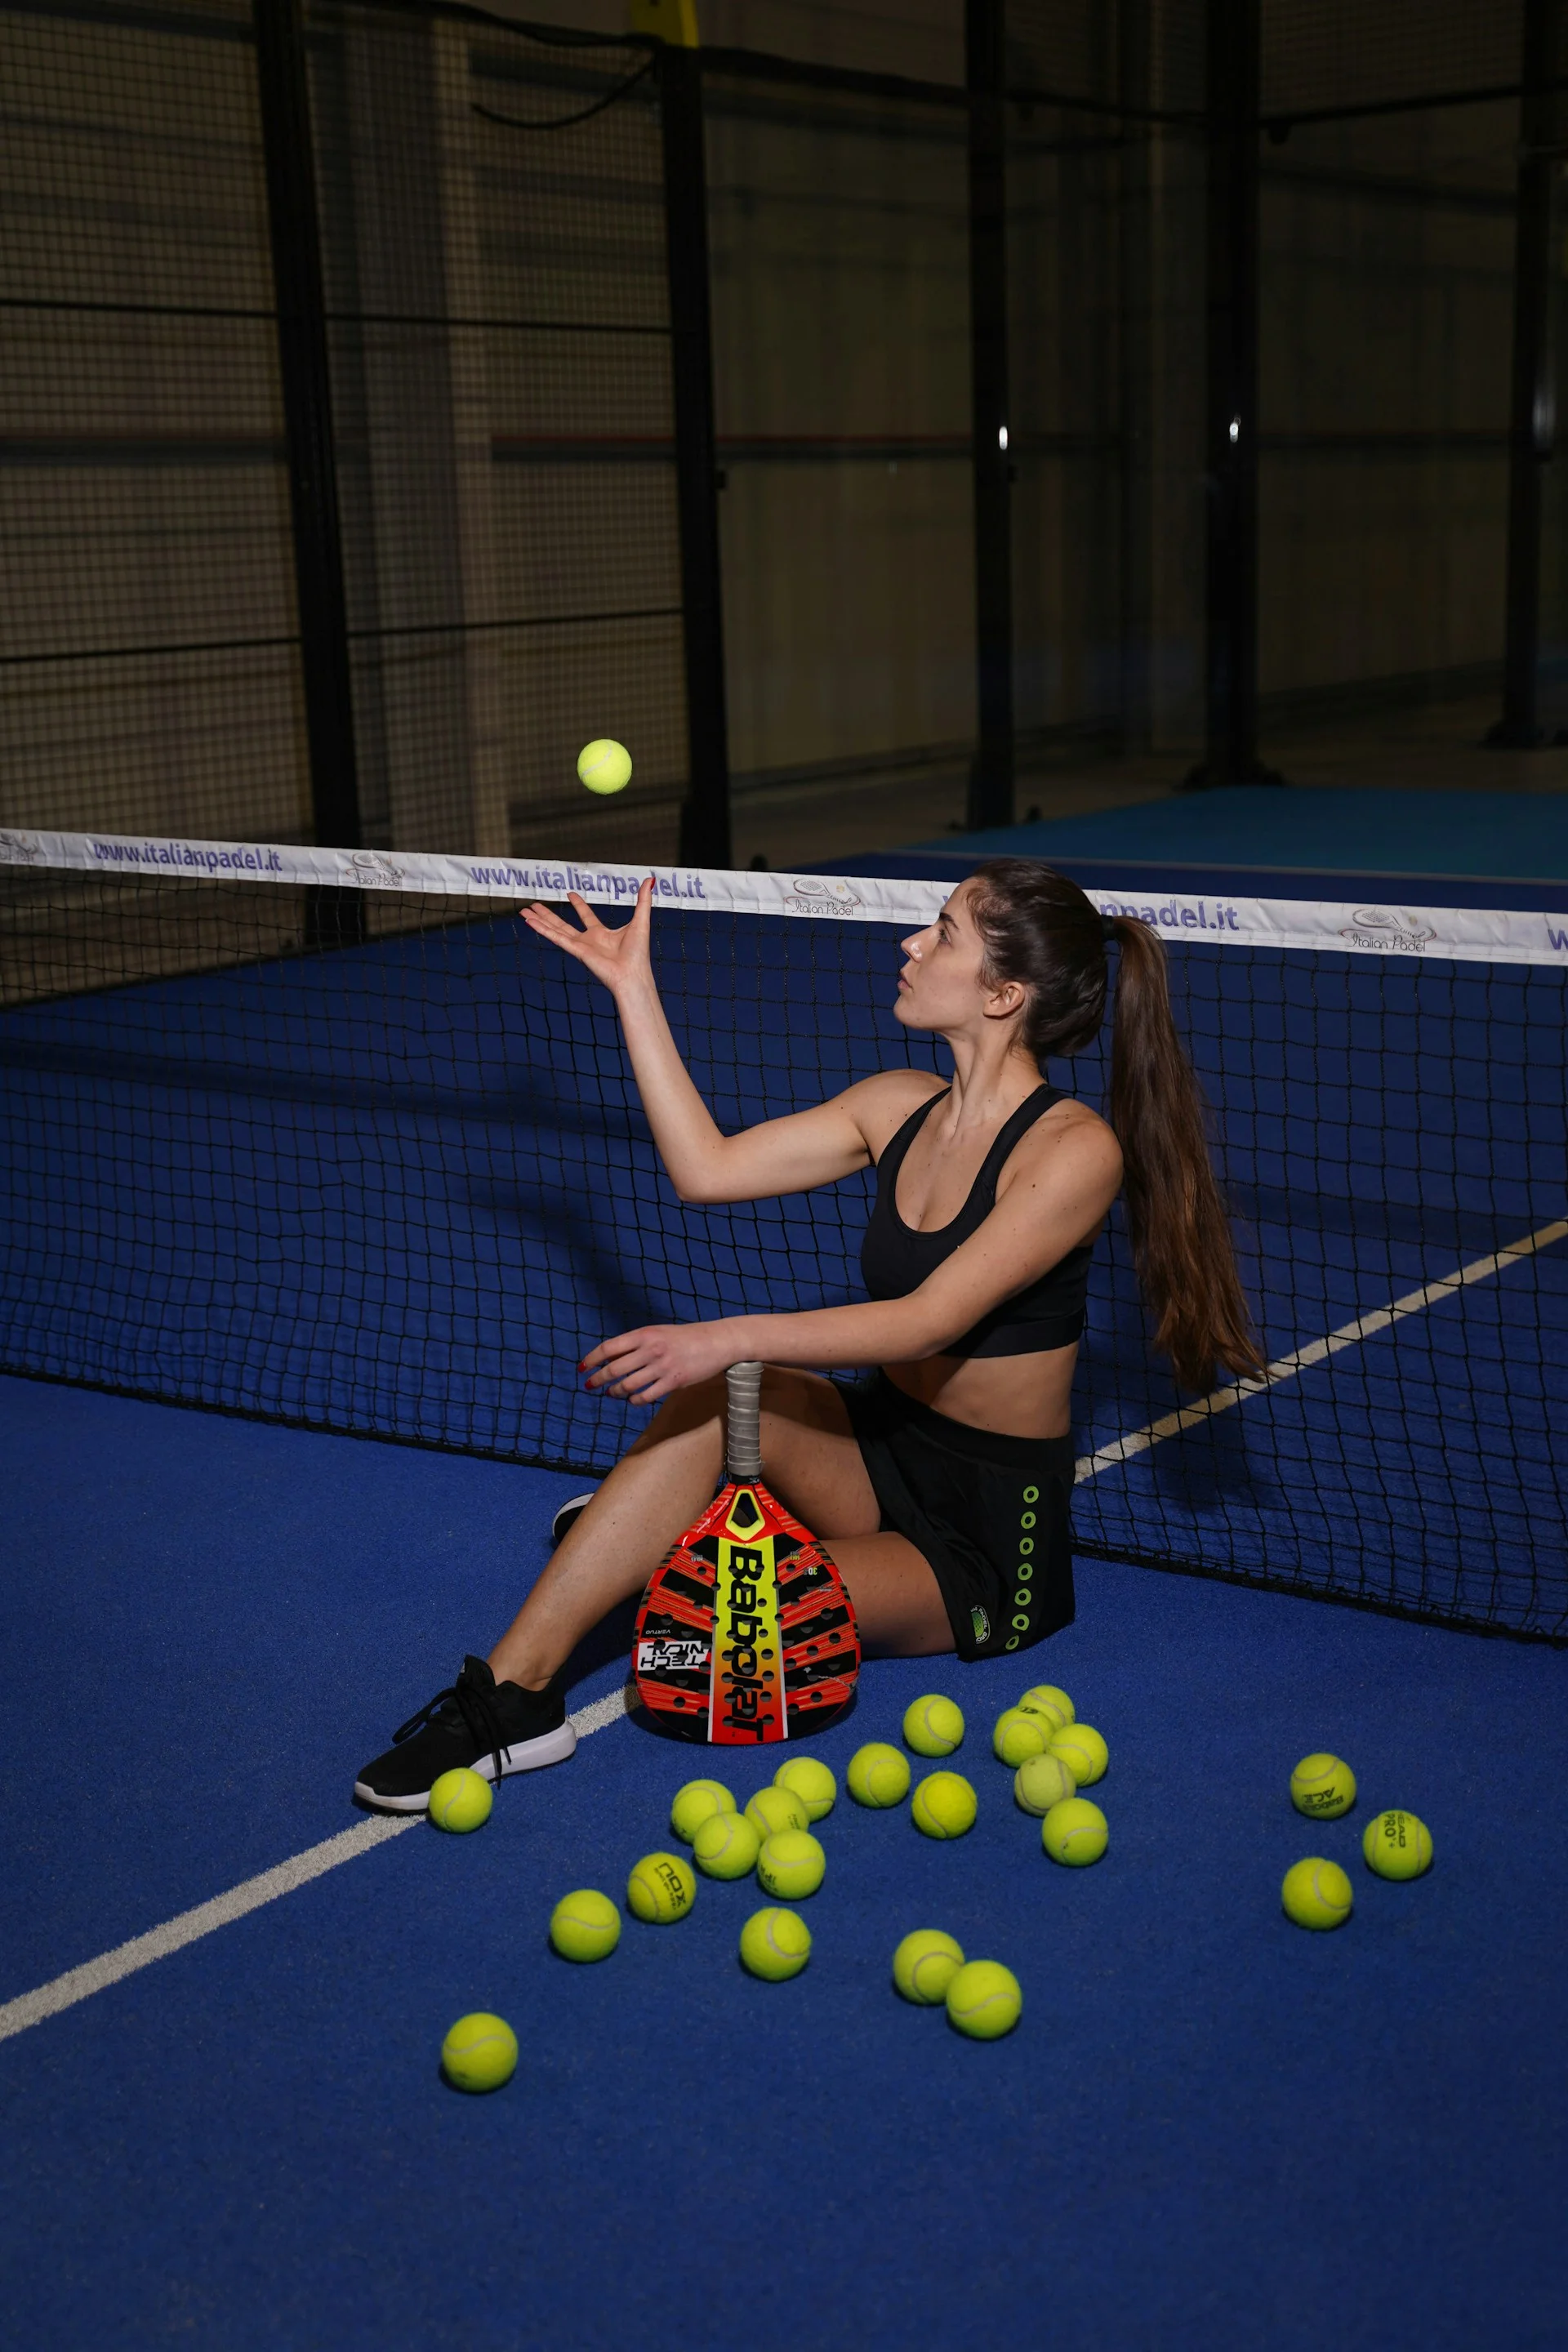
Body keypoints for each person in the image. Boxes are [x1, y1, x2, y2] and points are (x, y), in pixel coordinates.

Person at [354, 858, 1260, 1811]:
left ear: (1004, 994)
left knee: (736, 1616)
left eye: (943, 932)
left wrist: (723, 1335)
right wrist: (633, 989)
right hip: (876, 1448)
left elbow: (927, 1320)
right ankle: (514, 1701)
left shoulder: (1074, 1150)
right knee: (719, 1399)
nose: (912, 944)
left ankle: (645, 1540)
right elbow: (706, 1169)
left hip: (984, 1533)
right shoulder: (895, 1105)